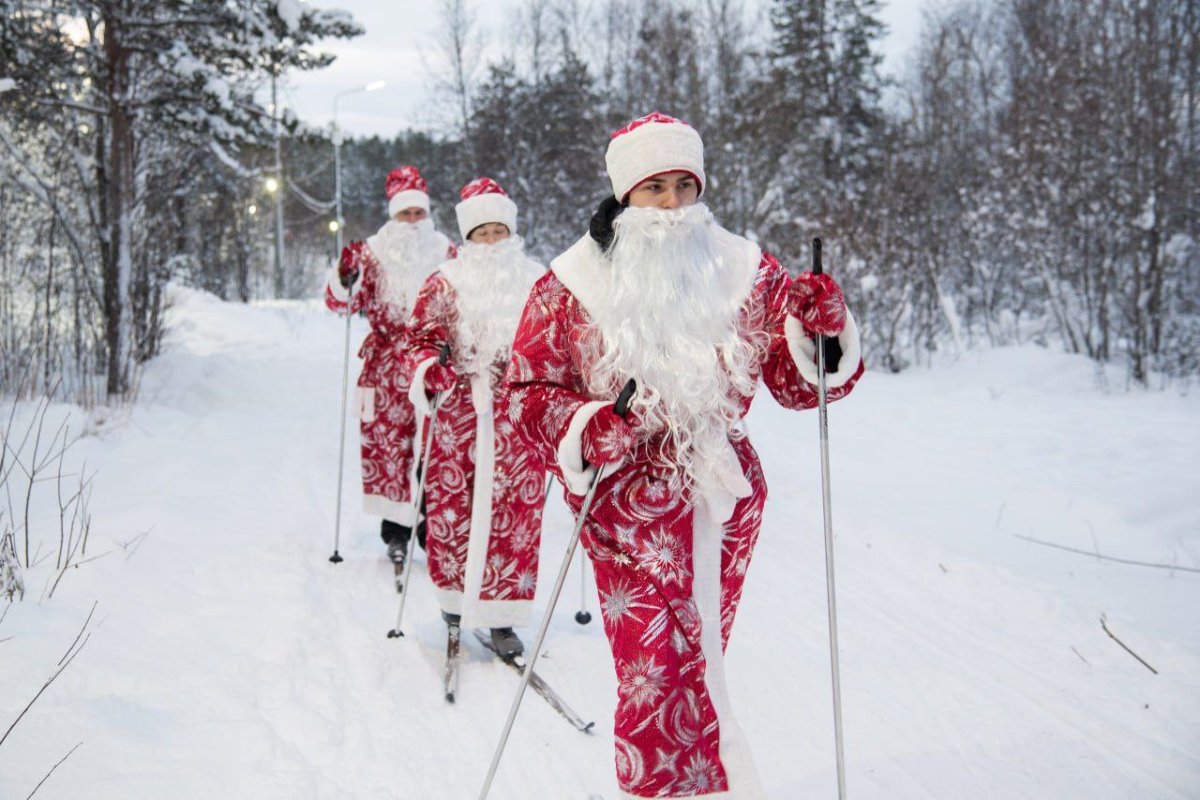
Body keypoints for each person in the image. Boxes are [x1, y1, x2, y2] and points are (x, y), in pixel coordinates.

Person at [502, 112, 864, 799]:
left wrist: (822, 328)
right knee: (653, 672)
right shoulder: (570, 283)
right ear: (625, 194)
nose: (671, 204)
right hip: (622, 505)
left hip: (723, 500)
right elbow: (527, 391)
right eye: (654, 188)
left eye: (684, 186)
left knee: (696, 661)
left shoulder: (745, 268)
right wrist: (587, 426)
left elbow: (797, 385)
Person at [405, 177, 548, 658]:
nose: (491, 242)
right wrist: (431, 367)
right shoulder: (444, 281)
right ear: (467, 238)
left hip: (516, 419)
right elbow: (420, 339)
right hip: (458, 415)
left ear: (511, 231)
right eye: (481, 234)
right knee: (454, 507)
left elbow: (556, 342)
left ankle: (502, 616)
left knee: (515, 516)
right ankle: (453, 605)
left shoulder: (537, 280)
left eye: (498, 232)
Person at [325, 165, 455, 574]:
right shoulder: (372, 253)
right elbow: (340, 304)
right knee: (389, 448)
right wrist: (345, 276)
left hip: (433, 363)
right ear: (393, 214)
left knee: (435, 446)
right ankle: (396, 532)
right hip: (385, 367)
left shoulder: (446, 251)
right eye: (405, 214)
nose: (413, 221)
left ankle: (431, 528)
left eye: (418, 213)